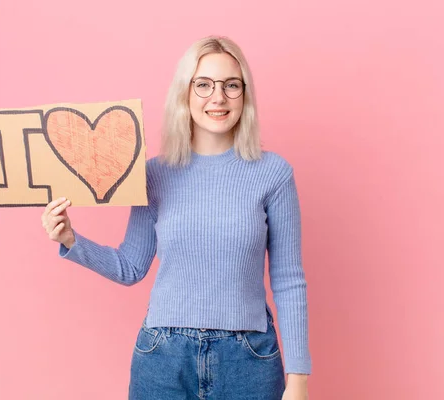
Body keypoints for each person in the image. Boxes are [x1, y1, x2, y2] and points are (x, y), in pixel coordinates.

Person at [41, 35, 311, 400]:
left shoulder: (273, 174)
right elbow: (130, 267)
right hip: (163, 358)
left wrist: (298, 379)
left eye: (231, 85)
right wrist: (71, 240)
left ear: (244, 95)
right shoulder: (152, 175)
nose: (218, 97)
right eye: (203, 85)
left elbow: (288, 279)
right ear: (184, 93)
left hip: (249, 359)